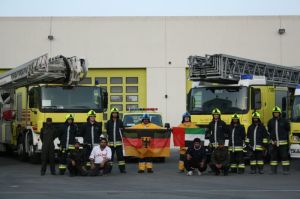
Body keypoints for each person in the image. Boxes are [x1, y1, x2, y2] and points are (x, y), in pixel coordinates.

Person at [268, 106, 290, 175]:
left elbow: (288, 129)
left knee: (284, 156)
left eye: (277, 113)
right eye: (274, 113)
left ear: (279, 113)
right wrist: (272, 140)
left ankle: (286, 170)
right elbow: (269, 131)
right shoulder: (270, 121)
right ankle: (273, 171)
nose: (276, 114)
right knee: (273, 157)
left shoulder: (284, 121)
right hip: (274, 143)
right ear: (273, 113)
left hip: (283, 143)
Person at [106, 107, 126, 173]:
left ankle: (122, 170)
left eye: (116, 113)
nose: (114, 114)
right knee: (110, 157)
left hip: (119, 143)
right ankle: (108, 170)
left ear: (117, 114)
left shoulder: (120, 122)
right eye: (113, 113)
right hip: (111, 143)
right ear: (111, 114)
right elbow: (108, 132)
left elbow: (123, 131)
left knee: (121, 158)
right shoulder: (108, 122)